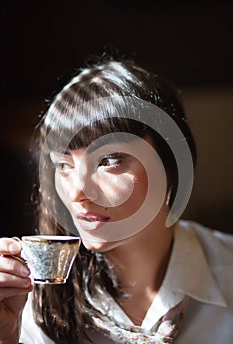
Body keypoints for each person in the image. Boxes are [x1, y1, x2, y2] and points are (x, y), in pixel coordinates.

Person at [0, 55, 232, 344]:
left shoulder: (227, 272)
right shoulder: (27, 303)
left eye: (108, 161)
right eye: (64, 165)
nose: (77, 193)